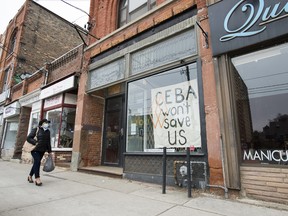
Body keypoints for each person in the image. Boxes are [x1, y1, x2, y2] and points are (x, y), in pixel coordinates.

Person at [27, 119, 52, 186]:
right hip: (35, 149)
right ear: (42, 123)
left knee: (36, 163)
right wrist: (36, 142)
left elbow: (48, 142)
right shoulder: (36, 129)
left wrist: (49, 151)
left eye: (47, 123)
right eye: (45, 123)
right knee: (37, 162)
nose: (47, 124)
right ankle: (37, 178)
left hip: (42, 150)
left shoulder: (48, 131)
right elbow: (29, 138)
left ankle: (30, 176)